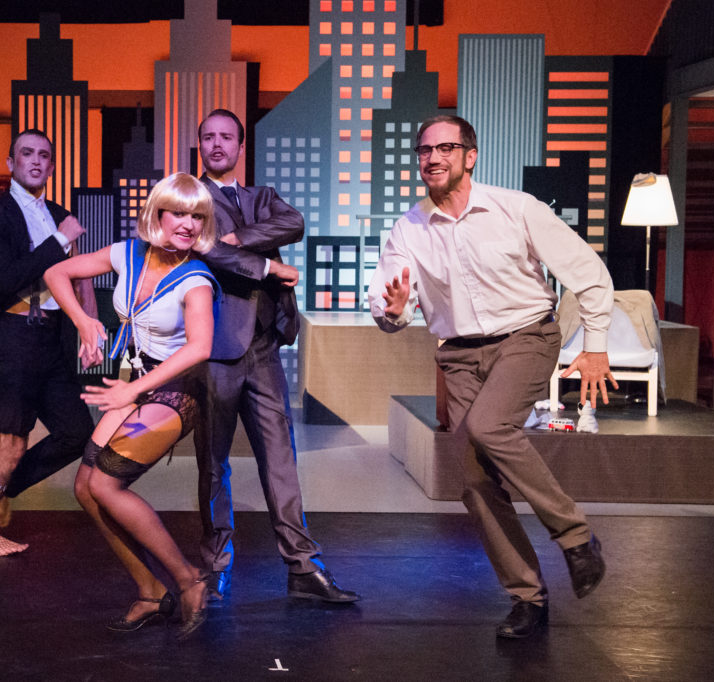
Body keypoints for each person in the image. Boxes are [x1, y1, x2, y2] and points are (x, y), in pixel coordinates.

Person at [368, 114, 613, 638]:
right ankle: (528, 597)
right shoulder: (409, 228)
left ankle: (575, 537)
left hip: (525, 338)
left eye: (445, 148)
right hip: (459, 355)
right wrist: (392, 308)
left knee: (488, 427)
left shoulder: (515, 208)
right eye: (425, 150)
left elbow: (588, 273)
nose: (433, 158)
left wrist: (595, 347)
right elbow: (389, 304)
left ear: (470, 156)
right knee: (476, 483)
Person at [44, 172, 220, 638]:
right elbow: (56, 272)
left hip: (178, 389)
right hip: (134, 383)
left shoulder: (196, 279)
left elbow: (200, 347)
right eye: (178, 213)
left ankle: (189, 579)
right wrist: (84, 321)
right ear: (157, 214)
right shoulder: (127, 254)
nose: (188, 224)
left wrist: (131, 391)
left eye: (197, 216)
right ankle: (149, 590)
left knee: (106, 483)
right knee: (85, 488)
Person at [194, 109, 359, 603]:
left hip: (264, 347)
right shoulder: (190, 197)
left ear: (240, 146)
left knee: (281, 459)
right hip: (216, 347)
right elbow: (203, 249)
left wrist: (240, 238)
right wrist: (266, 266)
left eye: (226, 137)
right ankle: (215, 566)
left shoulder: (261, 197)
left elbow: (294, 222)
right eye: (209, 137)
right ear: (199, 145)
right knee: (213, 463)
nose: (217, 144)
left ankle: (303, 567)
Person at [0, 129, 102, 557]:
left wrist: (89, 324)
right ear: (11, 163)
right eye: (27, 153)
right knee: (12, 442)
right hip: (12, 337)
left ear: (53, 166)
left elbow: (79, 275)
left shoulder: (60, 214)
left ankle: (6, 488)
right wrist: (60, 239)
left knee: (77, 432)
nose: (36, 161)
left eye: (44, 155)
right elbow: (8, 279)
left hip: (52, 339)